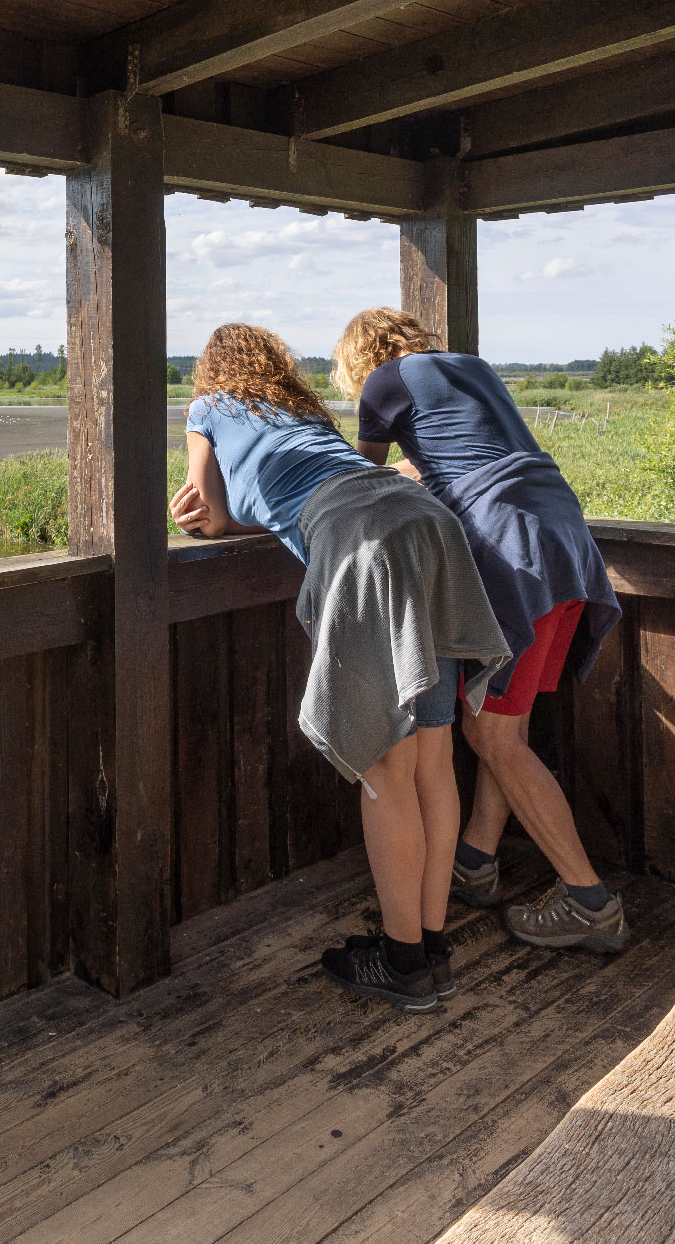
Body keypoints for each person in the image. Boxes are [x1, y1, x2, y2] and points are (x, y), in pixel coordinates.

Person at [170, 323, 509, 1013]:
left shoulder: (207, 408)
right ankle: (433, 946)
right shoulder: (306, 410)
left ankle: (404, 963)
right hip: (422, 517)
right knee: (434, 760)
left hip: (363, 536)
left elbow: (205, 509)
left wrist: (204, 523)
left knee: (384, 764)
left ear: (210, 370)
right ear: (278, 365)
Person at [333, 308, 627, 953]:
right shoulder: (472, 368)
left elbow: (362, 483)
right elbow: (471, 450)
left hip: (514, 554)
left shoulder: (384, 383)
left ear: (359, 355)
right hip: (567, 545)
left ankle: (589, 901)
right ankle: (475, 860)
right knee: (508, 726)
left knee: (491, 735)